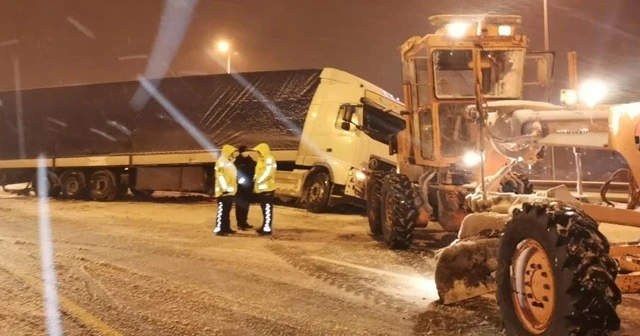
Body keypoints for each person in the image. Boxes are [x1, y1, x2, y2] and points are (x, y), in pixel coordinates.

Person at [213, 144, 239, 236]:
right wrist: (224, 189)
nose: (234, 154)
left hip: (230, 191)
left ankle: (226, 228)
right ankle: (220, 230)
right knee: (222, 212)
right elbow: (220, 176)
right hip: (224, 192)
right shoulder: (221, 162)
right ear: (228, 152)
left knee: (226, 211)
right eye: (232, 152)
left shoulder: (229, 161)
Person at [252, 143, 277, 236]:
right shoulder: (260, 159)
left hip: (268, 189)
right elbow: (258, 171)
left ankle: (267, 229)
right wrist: (255, 179)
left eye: (258, 151)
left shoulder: (269, 159)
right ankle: (264, 226)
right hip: (261, 189)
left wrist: (260, 180)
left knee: (267, 209)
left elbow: (269, 172)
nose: (257, 153)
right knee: (264, 210)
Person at [234, 145, 256, 230]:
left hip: (248, 187)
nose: (246, 152)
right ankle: (240, 223)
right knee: (240, 205)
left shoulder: (249, 160)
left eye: (247, 150)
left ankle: (245, 221)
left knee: (246, 205)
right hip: (240, 187)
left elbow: (253, 169)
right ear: (240, 152)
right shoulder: (237, 161)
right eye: (244, 151)